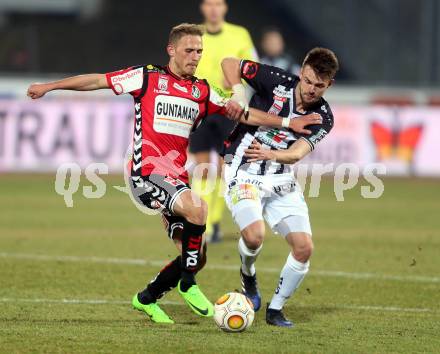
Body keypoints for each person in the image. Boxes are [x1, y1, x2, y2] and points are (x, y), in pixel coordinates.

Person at [27, 23, 321, 325]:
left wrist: (287, 123)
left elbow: (243, 113)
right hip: (146, 171)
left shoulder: (202, 91)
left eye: (199, 51)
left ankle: (147, 298)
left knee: (196, 254)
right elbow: (97, 81)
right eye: (189, 50)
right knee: (199, 208)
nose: (195, 56)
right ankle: (188, 284)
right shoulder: (147, 77)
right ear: (172, 50)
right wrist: (50, 87)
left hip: (177, 177)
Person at [221, 47, 339, 327]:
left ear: (329, 85)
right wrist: (238, 93)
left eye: (319, 86)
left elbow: (298, 153)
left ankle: (275, 310)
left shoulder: (323, 117)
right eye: (308, 81)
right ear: (301, 71)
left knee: (304, 247)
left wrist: (271, 154)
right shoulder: (275, 80)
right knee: (253, 236)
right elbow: (229, 62)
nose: (311, 89)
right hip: (243, 169)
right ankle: (247, 274)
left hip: (281, 177)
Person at [189, 0, 258, 243]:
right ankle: (201, 222)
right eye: (209, 4)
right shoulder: (192, 35)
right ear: (203, 8)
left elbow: (254, 67)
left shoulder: (240, 35)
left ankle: (212, 222)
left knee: (222, 167)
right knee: (201, 166)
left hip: (228, 108)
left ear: (225, 7)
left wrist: (239, 80)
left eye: (218, 4)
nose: (214, 9)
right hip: (199, 106)